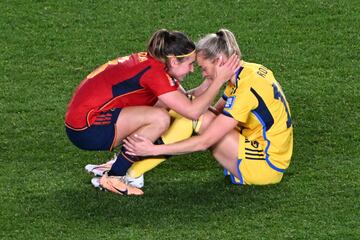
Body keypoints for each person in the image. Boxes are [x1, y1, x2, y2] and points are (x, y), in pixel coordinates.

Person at [65, 29, 240, 195]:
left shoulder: (155, 64)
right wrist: (219, 81)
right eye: (190, 64)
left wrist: (210, 82)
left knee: (165, 106)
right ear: (173, 61)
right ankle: (114, 177)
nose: (192, 69)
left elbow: (183, 101)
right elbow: (193, 112)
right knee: (159, 118)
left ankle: (118, 163)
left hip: (87, 119)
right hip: (87, 129)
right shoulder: (156, 74)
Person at [124, 29, 293, 186]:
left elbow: (205, 142)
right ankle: (126, 161)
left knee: (194, 116)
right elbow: (214, 112)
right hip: (257, 148)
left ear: (219, 61)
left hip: (265, 165)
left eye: (204, 68)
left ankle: (131, 174)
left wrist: (153, 150)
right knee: (190, 109)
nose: (203, 74)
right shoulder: (248, 71)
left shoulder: (245, 89)